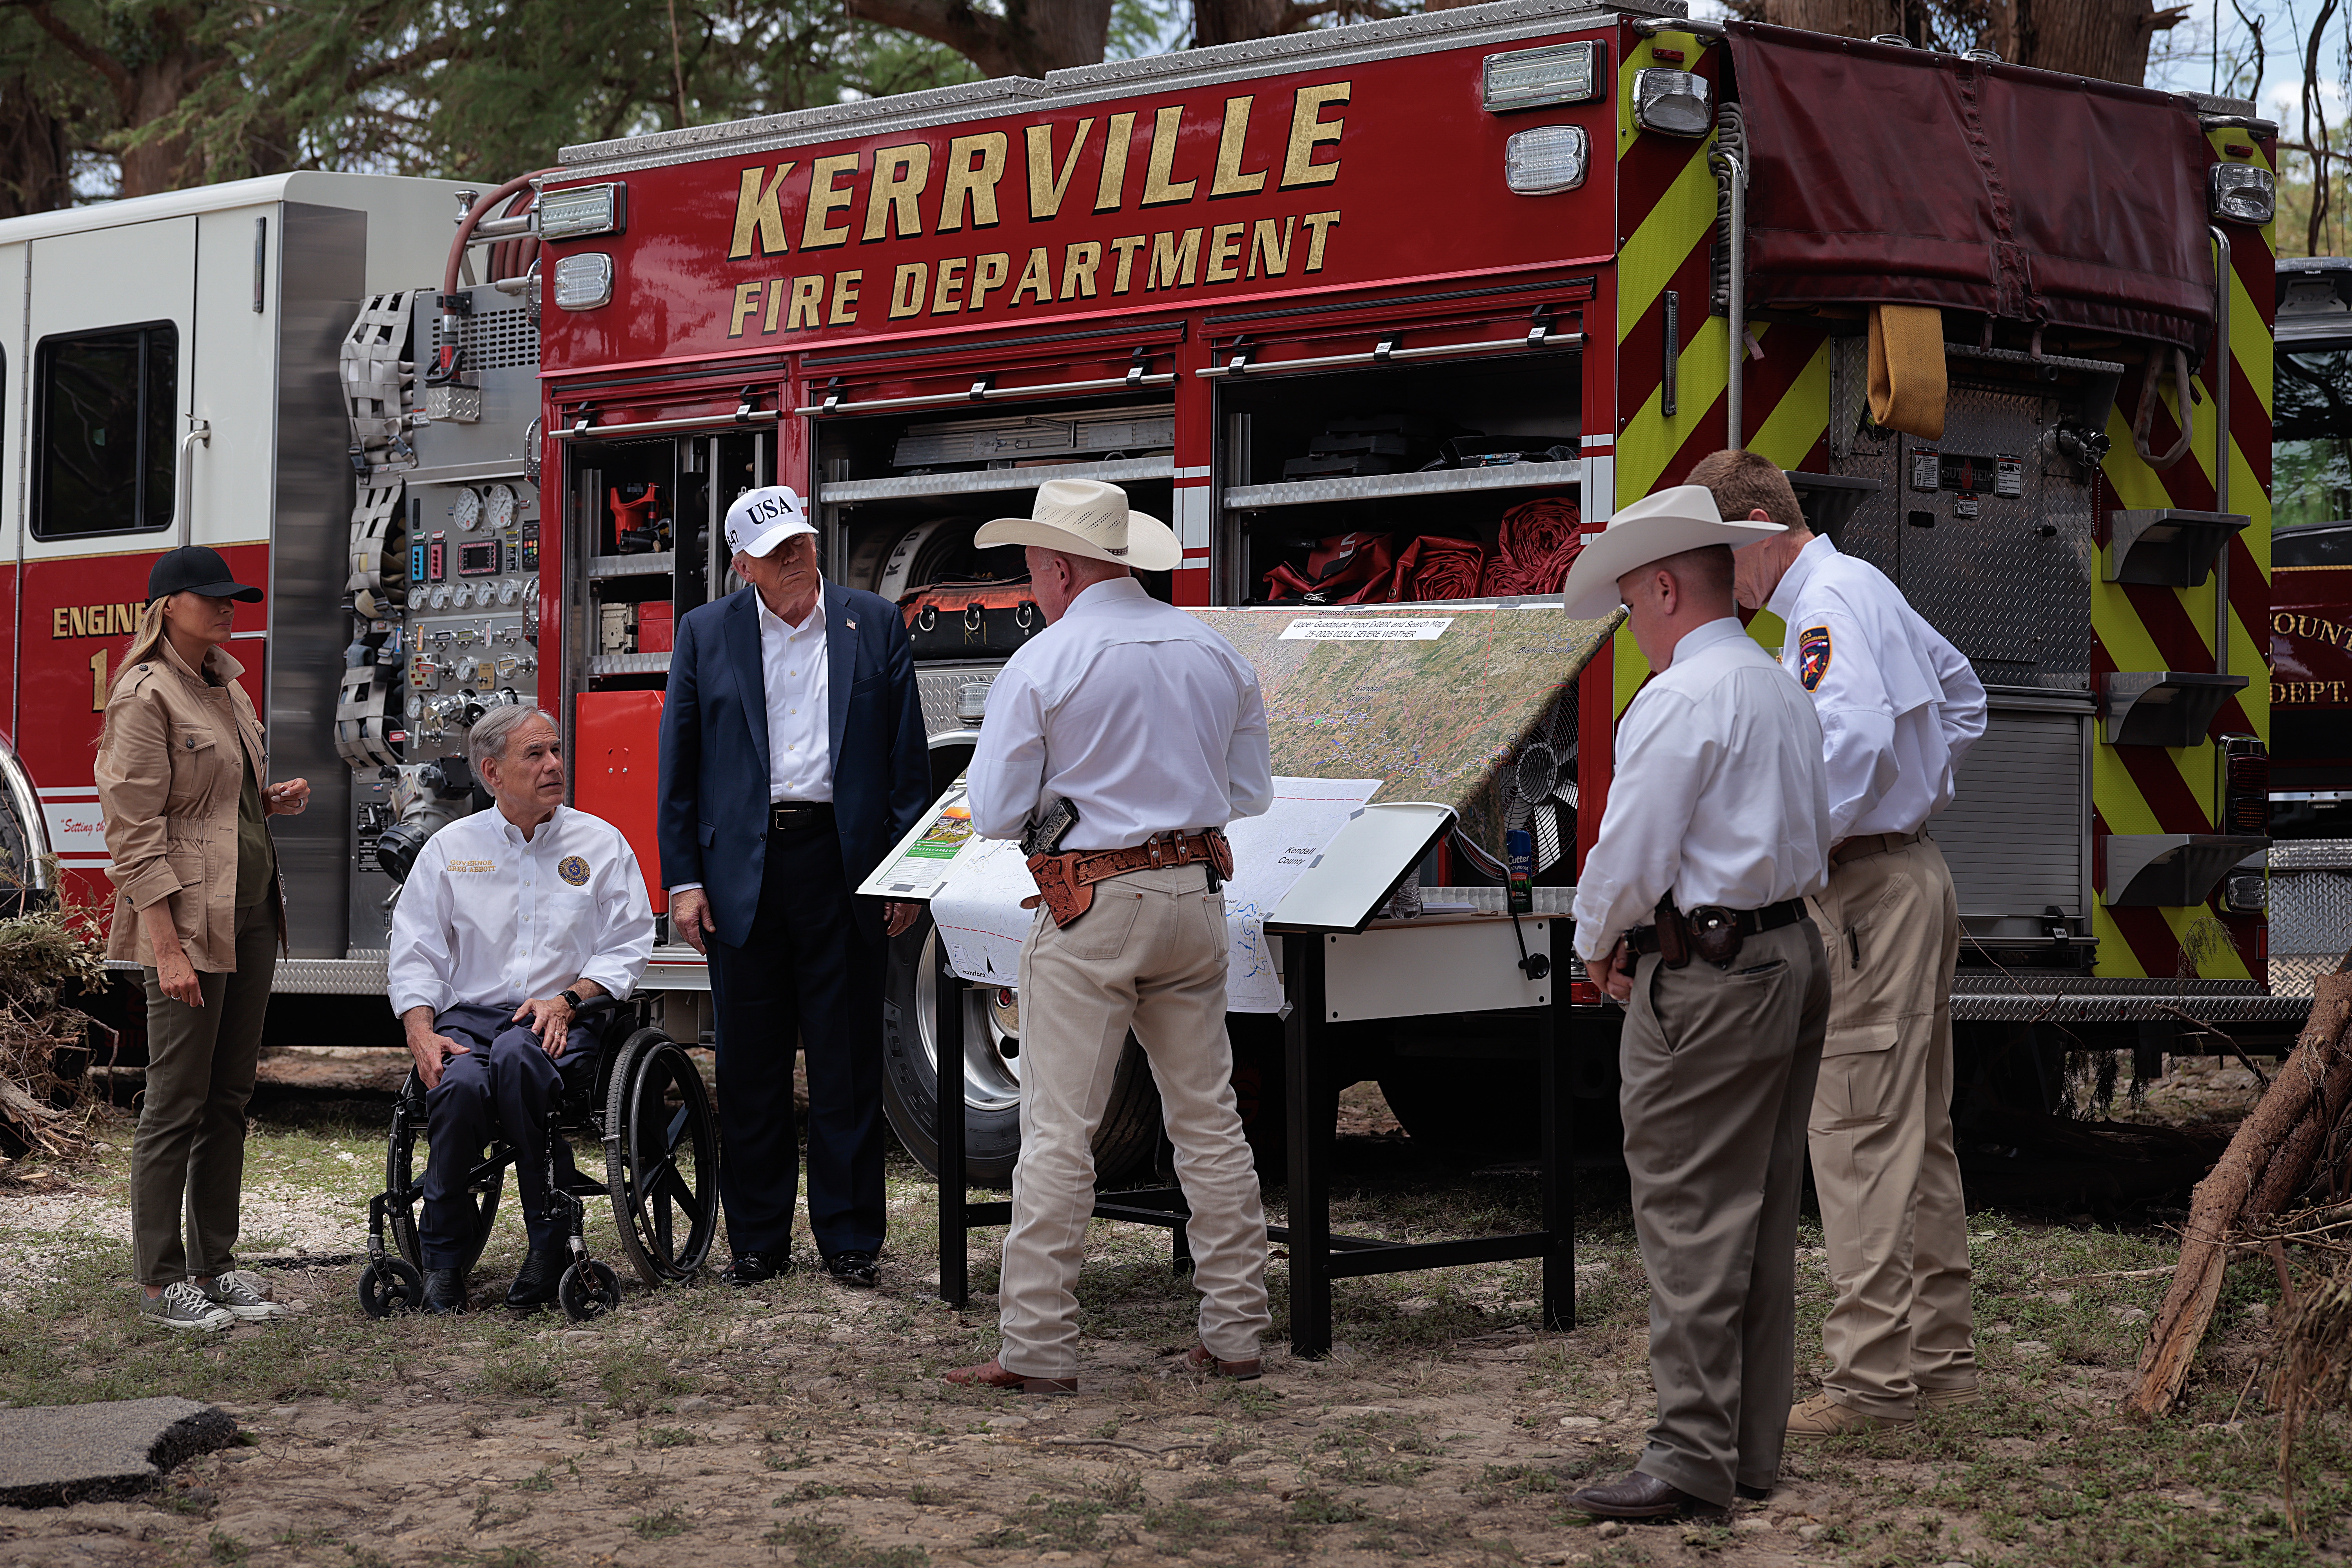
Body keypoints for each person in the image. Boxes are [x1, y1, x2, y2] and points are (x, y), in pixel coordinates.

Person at [942, 479, 1274, 1395]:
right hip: (1195, 891)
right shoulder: (1214, 651)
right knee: (1209, 1119)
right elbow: (1250, 795)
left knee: (1059, 1129)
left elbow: (1001, 811)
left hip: (1094, 901)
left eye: (1034, 573)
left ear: (1058, 567)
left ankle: (1039, 1347)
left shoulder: (1047, 661)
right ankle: (1237, 1329)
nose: (1032, 587)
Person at [1690, 448, 1989, 1437]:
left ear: (1757, 532)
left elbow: (1849, 745)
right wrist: (1920, 795)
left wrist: (1787, 850)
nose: (1713, 582)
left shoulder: (1823, 605)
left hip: (1865, 884)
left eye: (1718, 555)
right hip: (1905, 871)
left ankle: (1870, 1379)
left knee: (1856, 1130)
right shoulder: (1859, 586)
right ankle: (1940, 1355)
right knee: (1917, 1126)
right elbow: (1963, 695)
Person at [1557, 486, 1833, 1519]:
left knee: (1688, 1217)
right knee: (1756, 1219)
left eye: (1631, 607)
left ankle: (1686, 1458)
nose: (1633, 628)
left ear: (1666, 588)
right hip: (1789, 953)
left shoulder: (1680, 698)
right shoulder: (1775, 685)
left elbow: (1631, 855)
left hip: (1712, 974)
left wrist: (1593, 944)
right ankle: (1742, 1452)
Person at [657, 485, 928, 1289]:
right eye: (779, 552)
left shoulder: (871, 621)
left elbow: (906, 761)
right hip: (745, 867)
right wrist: (683, 880)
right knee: (751, 1064)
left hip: (843, 863)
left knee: (846, 1059)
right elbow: (681, 767)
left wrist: (905, 871)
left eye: (802, 542)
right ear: (745, 565)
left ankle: (850, 1238)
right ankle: (758, 1240)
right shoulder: (707, 633)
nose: (798, 557)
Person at [97, 545, 311, 1332]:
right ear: (166, 607)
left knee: (228, 1096)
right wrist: (167, 945)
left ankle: (215, 1265)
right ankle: (160, 1281)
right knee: (174, 1100)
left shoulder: (226, 685)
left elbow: (214, 798)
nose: (228, 609)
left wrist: (267, 799)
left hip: (251, 912)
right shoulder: (144, 695)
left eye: (234, 598)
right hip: (187, 920)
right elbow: (133, 831)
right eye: (212, 598)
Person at [385, 704, 654, 1314]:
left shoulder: (600, 843)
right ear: (492, 772)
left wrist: (568, 1000)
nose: (555, 764)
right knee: (454, 1088)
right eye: (535, 755)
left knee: (517, 1057)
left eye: (556, 751)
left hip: (566, 1018)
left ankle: (548, 1241)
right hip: (470, 1022)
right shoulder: (451, 849)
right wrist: (422, 1034)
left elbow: (629, 942)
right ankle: (444, 1261)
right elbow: (416, 950)